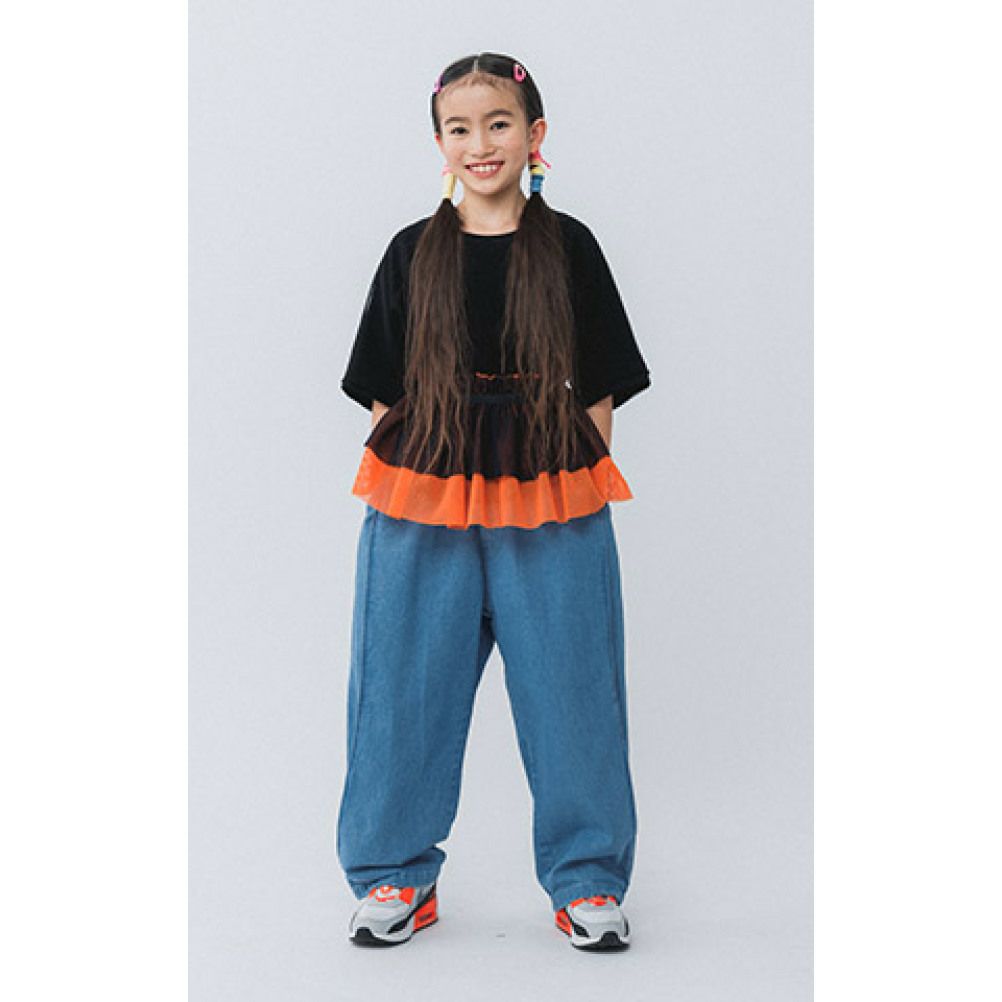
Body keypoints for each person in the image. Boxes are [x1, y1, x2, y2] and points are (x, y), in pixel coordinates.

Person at [336, 52, 651, 952]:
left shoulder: (570, 247)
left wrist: (571, 473)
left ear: (534, 135)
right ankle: (395, 874)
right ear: (440, 143)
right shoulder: (412, 252)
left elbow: (601, 386)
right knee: (401, 685)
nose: (481, 143)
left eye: (500, 123)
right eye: (461, 128)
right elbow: (383, 391)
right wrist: (418, 474)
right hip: (425, 492)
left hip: (547, 489)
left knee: (573, 685)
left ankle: (588, 879)